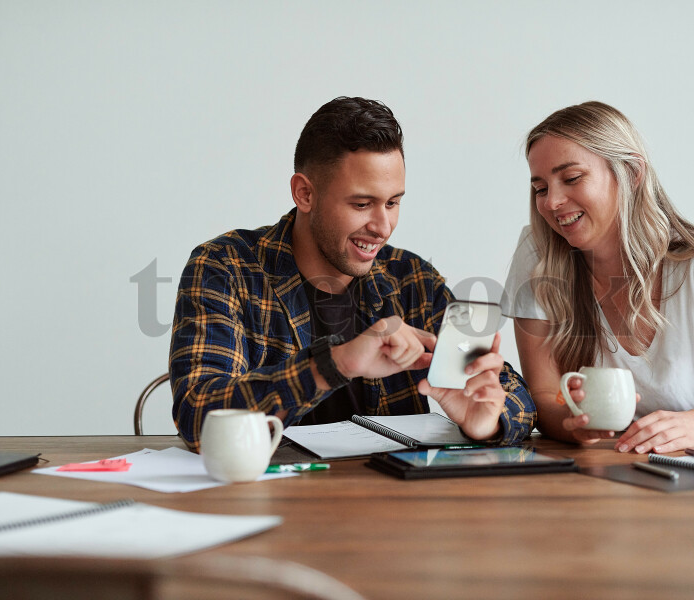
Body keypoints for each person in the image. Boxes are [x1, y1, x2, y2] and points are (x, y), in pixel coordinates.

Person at [170, 96, 536, 451]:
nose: (383, 226)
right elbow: (198, 417)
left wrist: (485, 420)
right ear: (304, 193)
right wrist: (338, 363)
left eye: (393, 203)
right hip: (275, 500)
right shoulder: (226, 267)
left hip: (394, 503)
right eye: (362, 204)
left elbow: (517, 398)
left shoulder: (411, 279)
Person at [502, 101, 694, 454]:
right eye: (540, 188)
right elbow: (543, 395)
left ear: (630, 172)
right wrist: (575, 428)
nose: (551, 202)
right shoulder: (538, 255)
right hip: (589, 474)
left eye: (571, 178)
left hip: (684, 475)